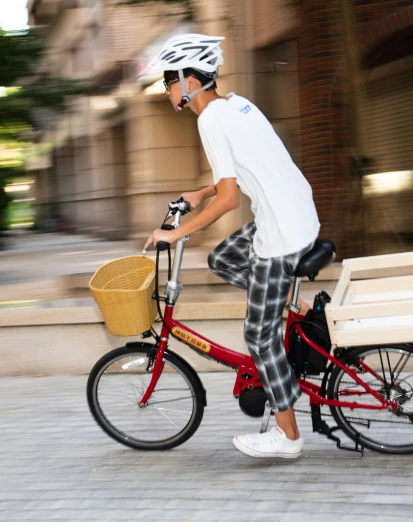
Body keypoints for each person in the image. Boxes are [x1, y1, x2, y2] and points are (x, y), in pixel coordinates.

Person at [142, 33, 321, 459]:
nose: (167, 88)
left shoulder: (210, 119)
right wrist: (201, 193)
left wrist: (175, 233)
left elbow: (231, 199)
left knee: (258, 338)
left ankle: (288, 438)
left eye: (169, 80)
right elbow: (238, 173)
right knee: (221, 259)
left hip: (281, 234)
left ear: (189, 81)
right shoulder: (237, 104)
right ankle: (278, 305)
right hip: (295, 216)